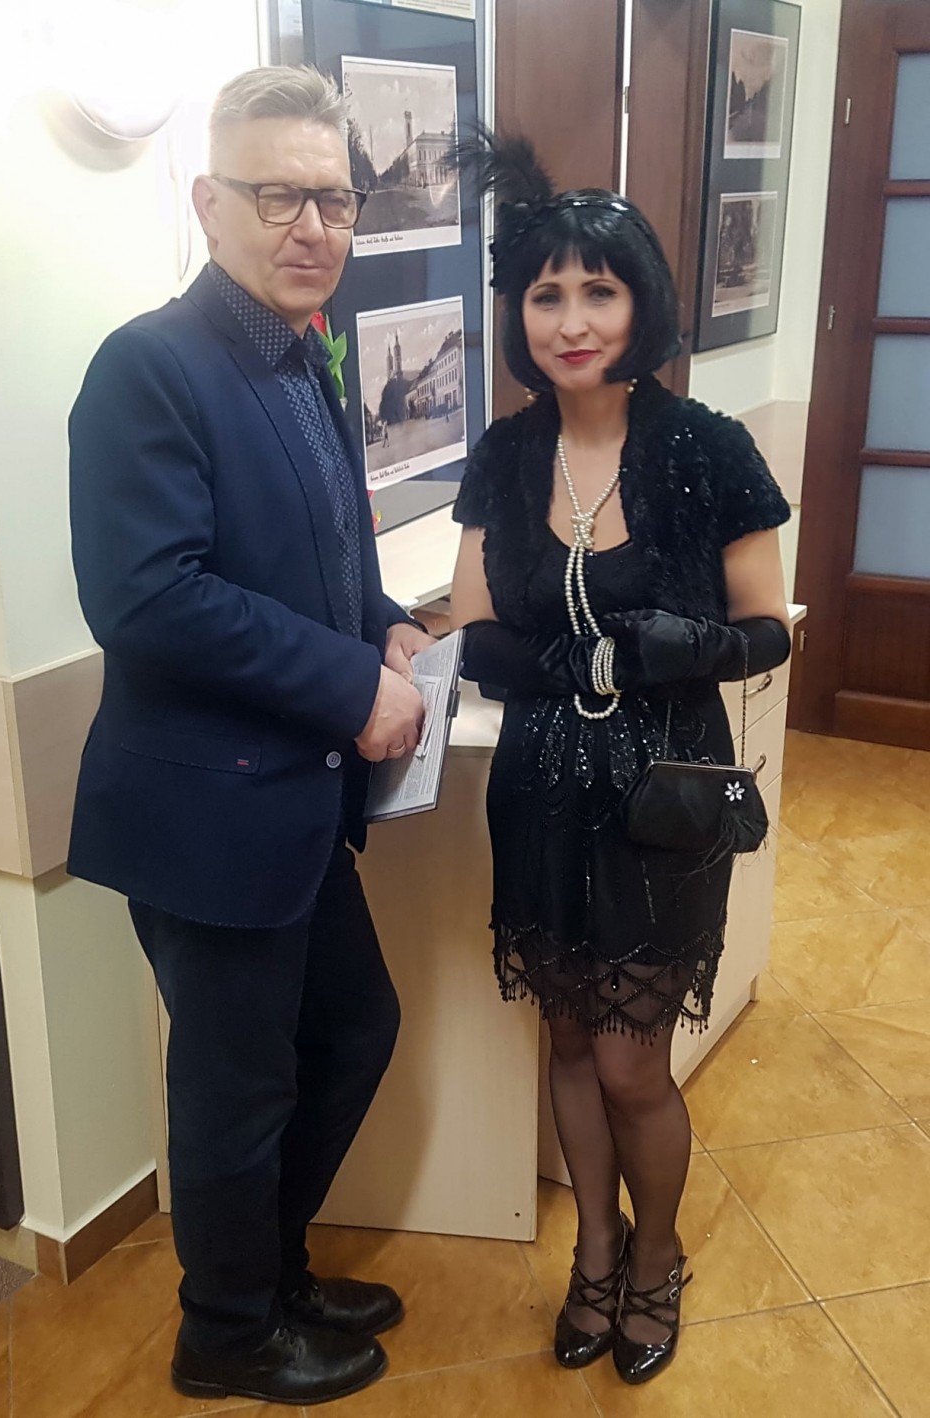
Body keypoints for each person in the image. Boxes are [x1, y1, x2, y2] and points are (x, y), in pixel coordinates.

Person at [67, 65, 434, 1407]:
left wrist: (386, 626)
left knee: (352, 1030)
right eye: (278, 196)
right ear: (208, 201)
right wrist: (348, 686)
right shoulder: (149, 365)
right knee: (235, 1092)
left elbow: (317, 553)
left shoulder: (307, 354)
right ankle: (222, 1332)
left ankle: (269, 1270)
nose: (312, 225)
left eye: (333, 199)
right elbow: (147, 597)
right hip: (204, 821)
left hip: (290, 809)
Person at [450, 133, 791, 1386]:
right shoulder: (503, 455)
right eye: (546, 294)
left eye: (598, 290)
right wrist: (569, 662)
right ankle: (590, 1253)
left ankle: (656, 1255)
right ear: (520, 314)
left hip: (665, 788)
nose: (572, 320)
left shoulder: (707, 447)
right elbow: (476, 632)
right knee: (565, 1038)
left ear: (639, 300)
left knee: (632, 1058)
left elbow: (767, 629)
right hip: (541, 782)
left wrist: (680, 647)